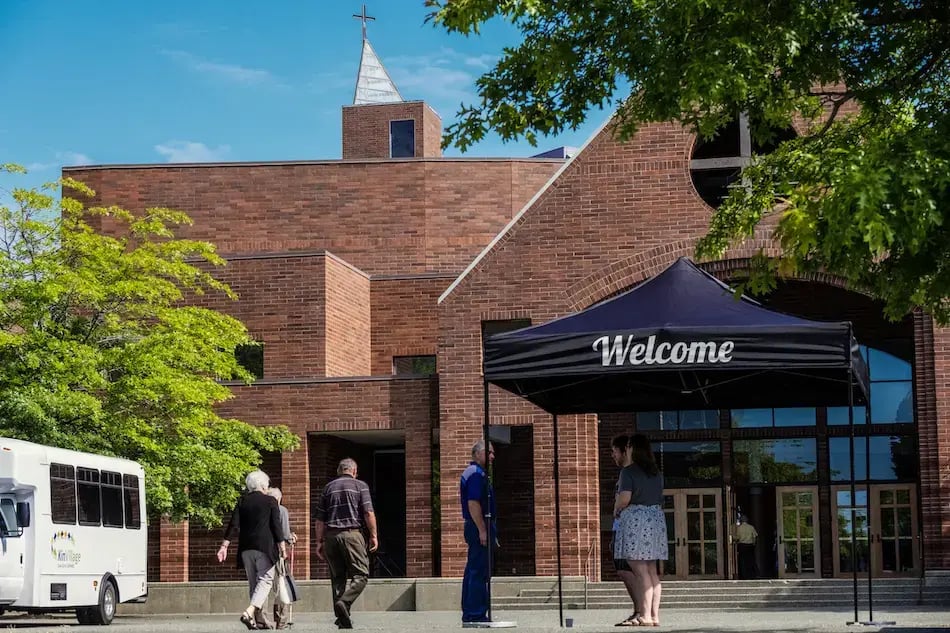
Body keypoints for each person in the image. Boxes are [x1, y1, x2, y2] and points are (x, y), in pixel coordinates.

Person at [217, 470, 287, 630]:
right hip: (265, 547)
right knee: (266, 580)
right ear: (263, 485)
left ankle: (258, 620)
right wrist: (282, 546)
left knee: (254, 584)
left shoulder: (242, 501)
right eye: (267, 485)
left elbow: (233, 525)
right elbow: (276, 526)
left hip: (246, 548)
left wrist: (224, 546)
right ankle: (249, 612)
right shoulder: (270, 501)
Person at [314, 458, 378, 630]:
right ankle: (344, 602)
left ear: (339, 470)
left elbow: (319, 519)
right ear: (354, 471)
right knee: (361, 574)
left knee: (337, 577)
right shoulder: (360, 486)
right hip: (352, 534)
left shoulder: (328, 488)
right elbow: (368, 512)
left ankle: (343, 618)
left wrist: (318, 542)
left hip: (331, 537)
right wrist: (374, 535)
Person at [614, 434, 667, 627]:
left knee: (639, 568)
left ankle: (644, 614)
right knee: (652, 570)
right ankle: (654, 615)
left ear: (632, 448)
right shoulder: (656, 473)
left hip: (637, 520)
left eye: (628, 446)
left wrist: (616, 507)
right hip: (655, 519)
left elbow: (625, 499)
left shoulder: (628, 472)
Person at [459, 439, 496, 626]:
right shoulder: (475, 474)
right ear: (477, 454)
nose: (492, 457)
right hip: (477, 526)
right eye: (489, 452)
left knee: (474, 569)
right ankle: (475, 613)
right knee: (479, 570)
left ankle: (471, 612)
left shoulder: (476, 473)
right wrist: (483, 529)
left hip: (477, 526)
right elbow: (473, 503)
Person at [609, 434, 640, 627]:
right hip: (620, 528)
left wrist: (616, 509)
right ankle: (638, 610)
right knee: (622, 570)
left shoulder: (630, 473)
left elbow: (622, 502)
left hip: (630, 528)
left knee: (628, 570)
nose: (612, 455)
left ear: (624, 451)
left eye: (614, 451)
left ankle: (641, 611)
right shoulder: (625, 474)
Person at [267, 488, 297, 629]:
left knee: (265, 586)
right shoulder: (281, 510)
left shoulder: (262, 510)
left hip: (262, 551)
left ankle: (263, 620)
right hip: (277, 552)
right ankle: (281, 621)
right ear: (279, 498)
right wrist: (290, 538)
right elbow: (284, 533)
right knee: (281, 586)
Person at [736, 514, 758, 579]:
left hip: (742, 546)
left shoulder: (739, 528)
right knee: (750, 560)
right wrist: (754, 543)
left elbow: (737, 537)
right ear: (747, 520)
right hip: (750, 546)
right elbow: (755, 536)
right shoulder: (751, 527)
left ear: (741, 520)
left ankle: (743, 575)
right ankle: (751, 574)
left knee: (742, 561)